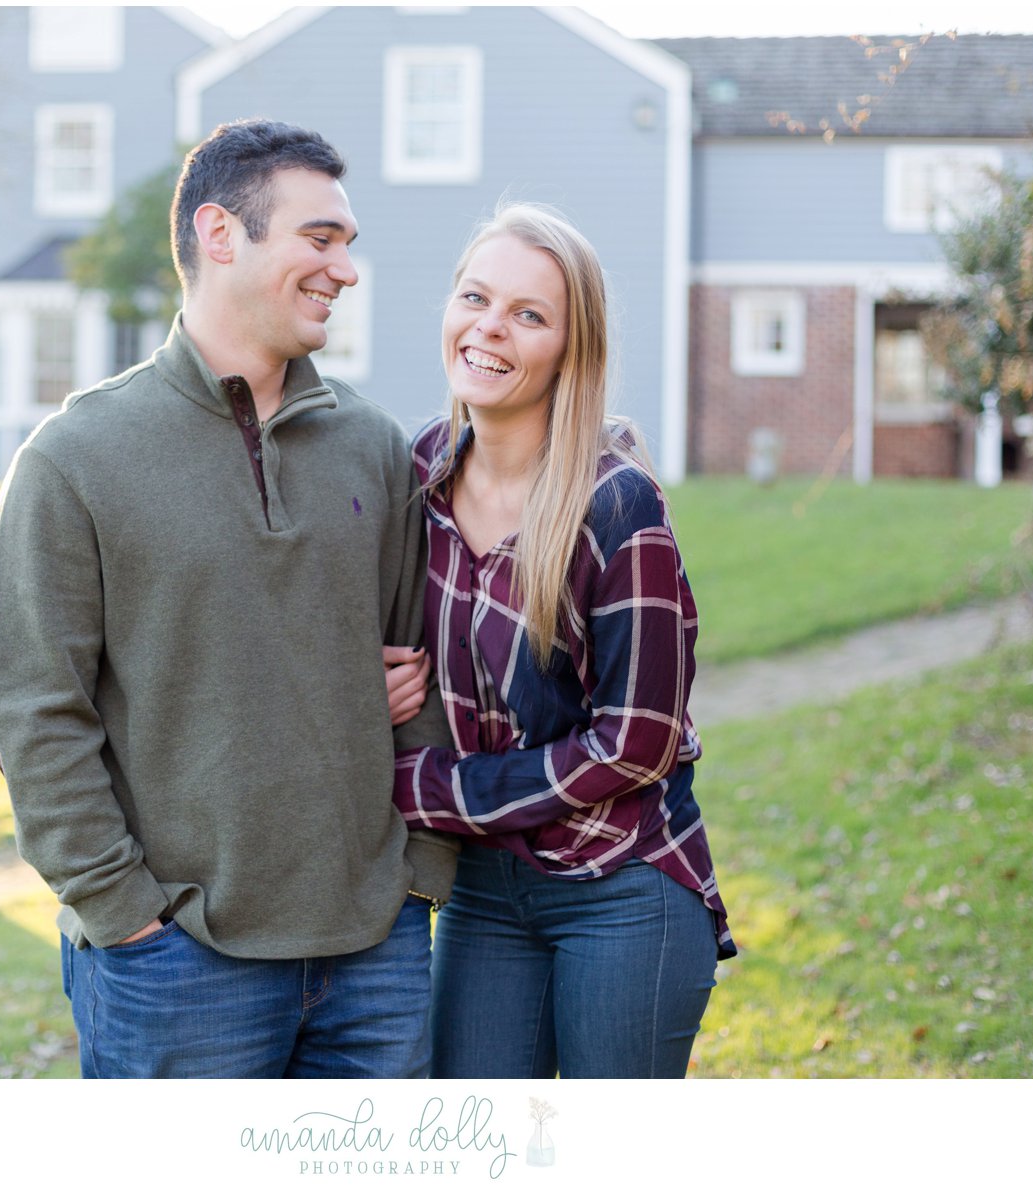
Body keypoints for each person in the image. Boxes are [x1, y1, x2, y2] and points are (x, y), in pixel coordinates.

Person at [0, 119, 457, 1079]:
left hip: (377, 954)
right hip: (178, 965)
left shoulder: (372, 446)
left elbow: (422, 671)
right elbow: (37, 713)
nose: (344, 269)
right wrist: (124, 915)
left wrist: (420, 879)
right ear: (220, 233)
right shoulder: (75, 459)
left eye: (347, 245)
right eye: (318, 238)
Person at [391, 202, 737, 1079]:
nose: (489, 328)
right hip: (487, 894)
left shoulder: (618, 506)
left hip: (621, 885)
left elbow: (638, 740)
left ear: (568, 351)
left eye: (528, 314)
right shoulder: (416, 477)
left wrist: (439, 788)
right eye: (475, 297)